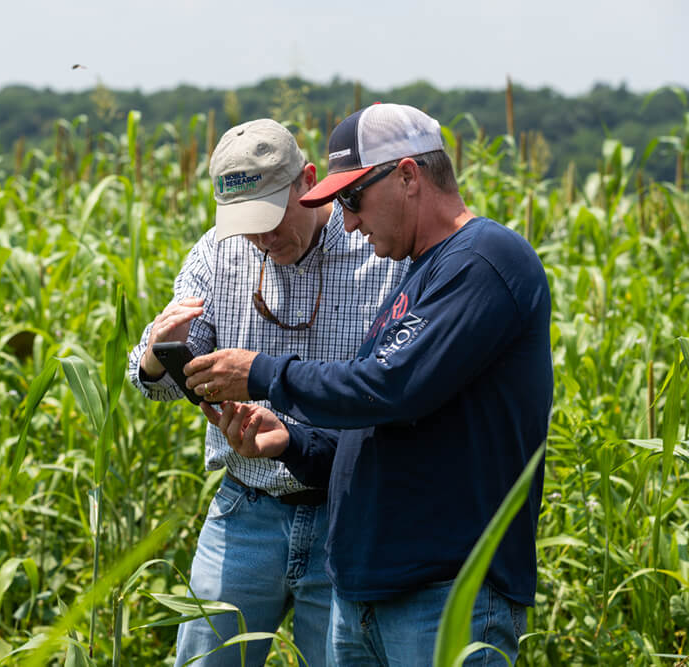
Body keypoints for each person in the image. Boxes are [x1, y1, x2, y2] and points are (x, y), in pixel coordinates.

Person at [185, 103, 553, 665]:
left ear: (407, 176)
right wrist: (291, 442)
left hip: (445, 591)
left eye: (352, 198)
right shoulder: (419, 274)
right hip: (369, 592)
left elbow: (390, 386)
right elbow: (388, 426)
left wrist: (261, 373)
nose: (348, 221)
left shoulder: (485, 260)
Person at [128, 118, 406, 666]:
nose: (262, 238)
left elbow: (395, 387)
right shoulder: (215, 254)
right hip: (245, 510)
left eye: (272, 218)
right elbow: (156, 386)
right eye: (245, 224)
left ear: (308, 180)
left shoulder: (375, 250)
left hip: (346, 517)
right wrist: (160, 353)